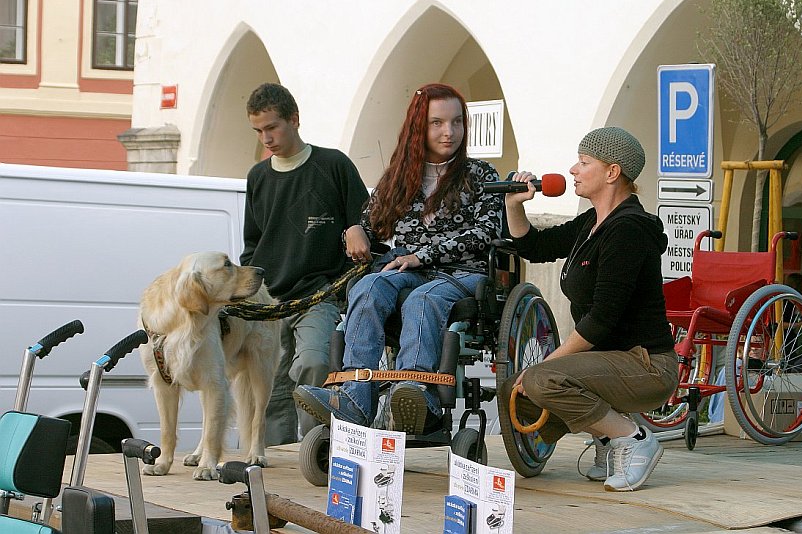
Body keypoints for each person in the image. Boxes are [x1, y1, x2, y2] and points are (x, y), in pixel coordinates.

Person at [292, 83, 502, 435]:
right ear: (419, 127)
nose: (449, 132)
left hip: (464, 273)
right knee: (370, 285)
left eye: (456, 122)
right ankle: (354, 398)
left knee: (423, 298)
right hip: (409, 268)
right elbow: (371, 223)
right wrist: (354, 231)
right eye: (436, 123)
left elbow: (485, 232)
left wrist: (424, 255)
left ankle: (415, 391)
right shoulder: (400, 176)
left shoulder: (480, 174)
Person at [501, 127, 678, 492]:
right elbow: (535, 247)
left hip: (646, 365)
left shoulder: (628, 229)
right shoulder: (592, 222)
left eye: (584, 162)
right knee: (512, 393)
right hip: (608, 363)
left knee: (539, 379)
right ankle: (607, 439)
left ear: (612, 172)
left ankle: (633, 437)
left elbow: (600, 321)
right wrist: (513, 205)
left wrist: (545, 365)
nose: (573, 170)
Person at [242, 82, 370, 445]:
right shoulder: (258, 176)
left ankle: (316, 449)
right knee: (267, 382)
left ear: (294, 120)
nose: (266, 138)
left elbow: (368, 221)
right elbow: (252, 244)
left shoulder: (333, 164)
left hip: (320, 295)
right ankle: (273, 457)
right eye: (258, 131)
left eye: (272, 127)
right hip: (269, 301)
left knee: (313, 363)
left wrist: (356, 228)